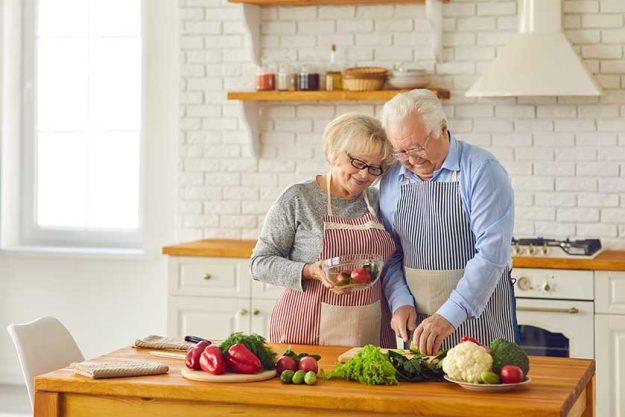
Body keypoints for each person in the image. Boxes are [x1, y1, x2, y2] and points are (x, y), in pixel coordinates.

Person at [379, 89, 519, 355]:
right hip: (419, 328)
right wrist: (399, 300)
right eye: (400, 152)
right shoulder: (392, 178)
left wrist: (449, 316)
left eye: (417, 147)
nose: (410, 160)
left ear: (442, 128)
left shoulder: (481, 170)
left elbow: (491, 254)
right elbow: (390, 252)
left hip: (479, 321)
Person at [250, 112, 397, 348]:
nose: (364, 175)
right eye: (357, 163)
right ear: (335, 153)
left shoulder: (380, 201)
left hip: (368, 334)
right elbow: (259, 264)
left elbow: (393, 264)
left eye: (374, 168)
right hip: (303, 332)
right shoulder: (299, 198)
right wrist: (311, 271)